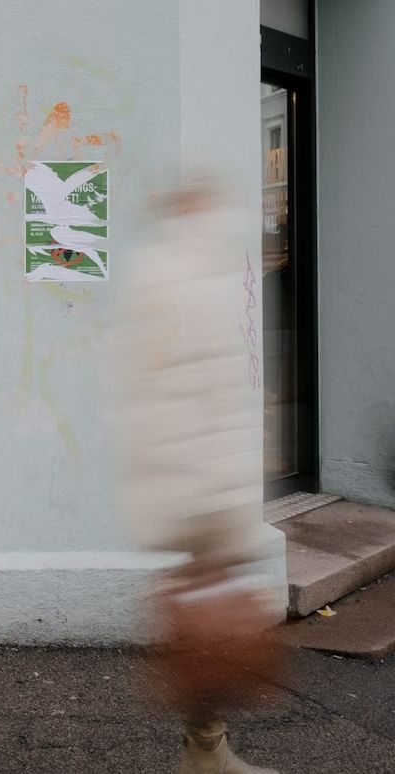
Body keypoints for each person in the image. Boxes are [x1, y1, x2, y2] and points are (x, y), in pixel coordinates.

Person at [116, 179, 280, 774]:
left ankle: (207, 748)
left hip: (194, 481)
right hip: (196, 483)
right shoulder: (184, 280)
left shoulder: (185, 273)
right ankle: (206, 753)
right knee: (210, 622)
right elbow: (184, 393)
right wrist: (212, 495)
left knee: (205, 615)